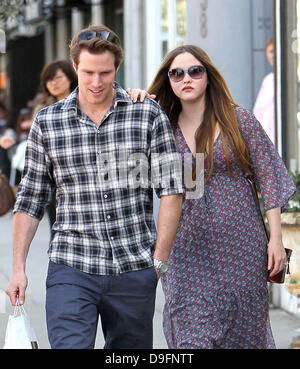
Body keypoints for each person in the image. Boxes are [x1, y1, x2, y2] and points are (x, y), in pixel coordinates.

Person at [6, 25, 183, 349]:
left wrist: (158, 262)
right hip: (71, 265)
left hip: (133, 267)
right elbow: (30, 199)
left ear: (117, 66)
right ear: (75, 66)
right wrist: (18, 268)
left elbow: (172, 188)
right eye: (88, 72)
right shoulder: (48, 122)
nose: (96, 82)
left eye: (105, 72)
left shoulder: (146, 115)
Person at [127, 44, 296, 349]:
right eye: (176, 73)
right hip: (185, 251)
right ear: (169, 80)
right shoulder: (159, 124)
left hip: (241, 250)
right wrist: (135, 102)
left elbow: (269, 178)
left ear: (207, 76)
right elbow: (129, 171)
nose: (186, 78)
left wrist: (275, 239)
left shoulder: (238, 120)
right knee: (191, 336)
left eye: (195, 71)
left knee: (244, 336)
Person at [33, 60, 78, 240]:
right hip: (55, 176)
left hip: (80, 170)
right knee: (56, 224)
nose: (54, 83)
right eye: (49, 80)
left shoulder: (85, 102)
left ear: (70, 78)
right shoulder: (43, 110)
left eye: (58, 78)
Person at [253, 38, 275, 144]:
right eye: (271, 52)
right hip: (268, 143)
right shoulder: (268, 80)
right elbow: (258, 112)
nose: (274, 55)